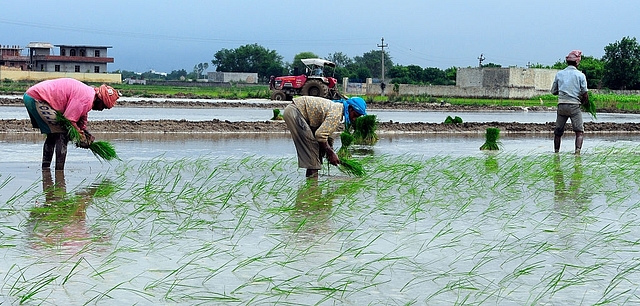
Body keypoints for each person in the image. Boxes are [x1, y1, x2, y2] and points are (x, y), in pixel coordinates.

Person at [23, 78, 120, 170]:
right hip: (38, 99)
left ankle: (46, 169)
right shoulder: (86, 98)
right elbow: (69, 119)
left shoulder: (88, 95)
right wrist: (80, 136)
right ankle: (59, 172)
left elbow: (81, 120)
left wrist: (85, 133)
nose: (102, 109)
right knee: (62, 134)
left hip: (32, 96)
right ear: (99, 100)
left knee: (52, 135)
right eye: (104, 106)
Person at [283, 96, 367, 179]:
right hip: (295, 112)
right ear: (350, 109)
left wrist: (330, 151)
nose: (355, 119)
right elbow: (320, 135)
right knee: (312, 149)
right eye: (355, 115)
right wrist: (330, 153)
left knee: (317, 150)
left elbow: (326, 135)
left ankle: (311, 183)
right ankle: (313, 187)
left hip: (296, 111)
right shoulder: (336, 114)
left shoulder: (338, 109)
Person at [551, 50, 589, 155]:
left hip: (561, 105)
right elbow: (585, 94)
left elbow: (554, 91)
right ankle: (577, 153)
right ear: (577, 62)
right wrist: (585, 103)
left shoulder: (559, 74)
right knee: (579, 132)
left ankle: (556, 152)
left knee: (558, 132)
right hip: (574, 106)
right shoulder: (580, 75)